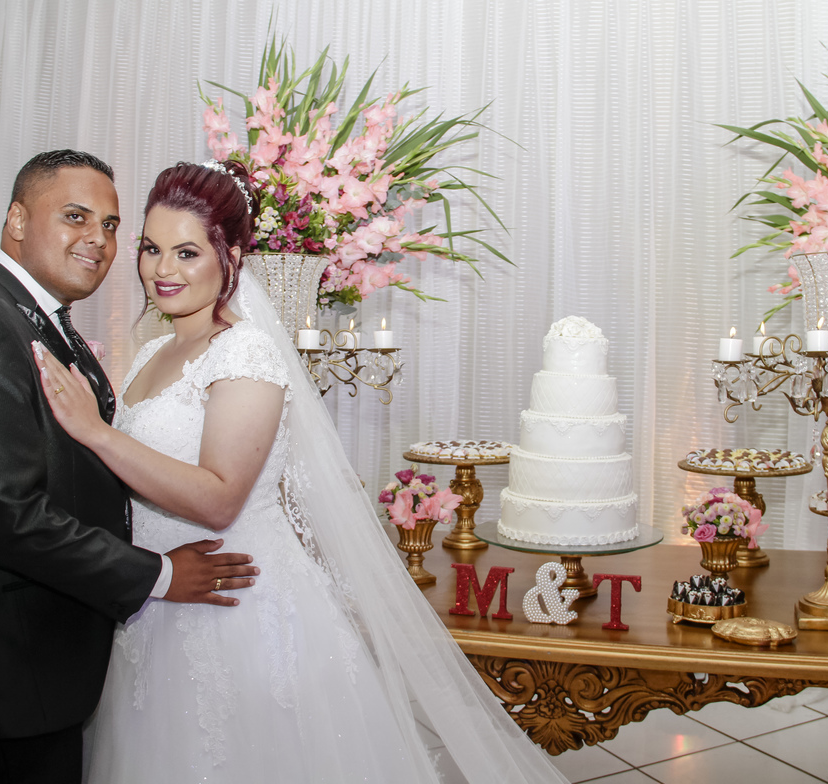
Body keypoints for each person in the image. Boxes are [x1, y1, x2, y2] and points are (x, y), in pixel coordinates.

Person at [32, 160, 567, 782]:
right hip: (155, 594)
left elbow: (218, 498)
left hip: (233, 606)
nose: (162, 270)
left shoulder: (247, 352)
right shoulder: (155, 349)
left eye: (186, 252)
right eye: (151, 249)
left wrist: (94, 432)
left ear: (229, 255)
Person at [0, 150, 260, 784]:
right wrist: (161, 574)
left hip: (54, 646)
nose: (99, 240)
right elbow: (9, 519)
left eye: (112, 226)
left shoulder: (45, 322)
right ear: (15, 218)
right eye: (75, 216)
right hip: (2, 662)